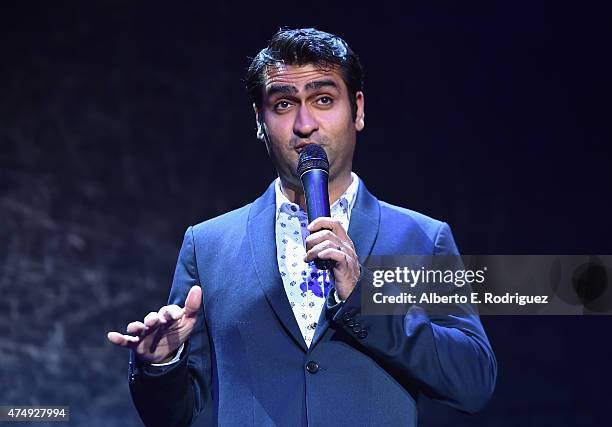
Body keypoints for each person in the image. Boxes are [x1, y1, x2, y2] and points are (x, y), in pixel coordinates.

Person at [107, 27, 497, 427]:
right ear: (259, 120)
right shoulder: (208, 245)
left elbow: (472, 382)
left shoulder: (420, 238)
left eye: (324, 100)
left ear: (358, 110)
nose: (305, 123)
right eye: (283, 105)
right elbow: (176, 416)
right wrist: (162, 364)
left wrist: (363, 298)